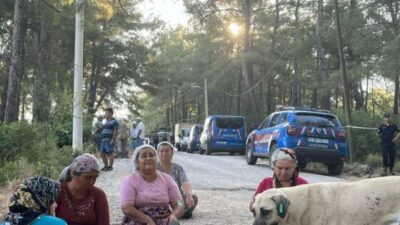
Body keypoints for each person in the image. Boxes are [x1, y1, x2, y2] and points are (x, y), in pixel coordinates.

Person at [120, 145, 184, 225]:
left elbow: (180, 203)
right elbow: (126, 208)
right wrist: (148, 221)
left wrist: (174, 215)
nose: (148, 158)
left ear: (156, 159)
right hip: (138, 220)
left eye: (151, 155)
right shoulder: (130, 180)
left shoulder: (167, 179)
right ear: (137, 162)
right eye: (144, 156)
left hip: (164, 219)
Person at [56, 153, 110, 225]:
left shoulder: (98, 195)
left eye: (95, 178)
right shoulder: (57, 192)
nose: (92, 182)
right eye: (88, 177)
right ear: (74, 174)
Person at [156, 142, 198, 219]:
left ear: (172, 153)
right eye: (161, 151)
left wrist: (188, 195)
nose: (164, 153)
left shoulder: (178, 168)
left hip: (176, 199)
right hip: (159, 198)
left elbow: (185, 182)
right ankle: (178, 214)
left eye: (167, 151)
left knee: (192, 198)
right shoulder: (153, 167)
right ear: (157, 153)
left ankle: (174, 213)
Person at [2, 176, 67, 225]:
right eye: (53, 199)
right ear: (43, 199)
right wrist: (53, 218)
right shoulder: (58, 223)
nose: (55, 204)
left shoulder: (6, 222)